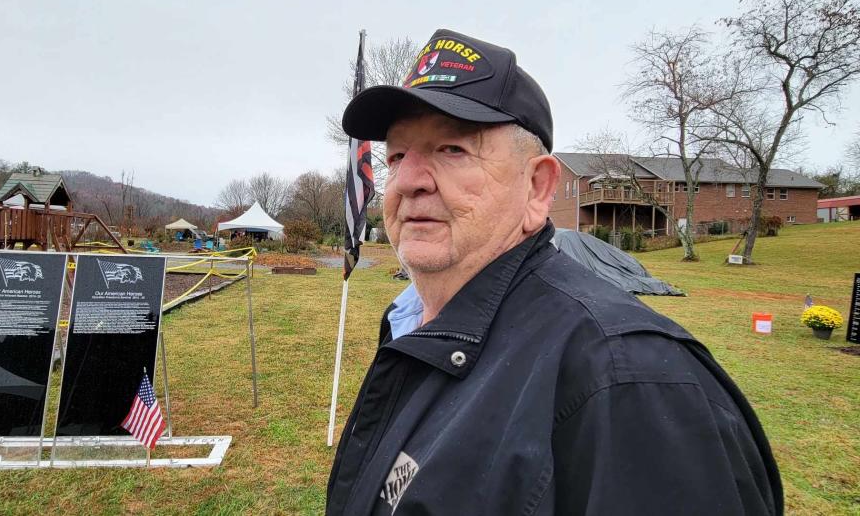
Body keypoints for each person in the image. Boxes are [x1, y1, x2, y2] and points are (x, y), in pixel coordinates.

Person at [326, 29, 782, 516]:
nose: (409, 182)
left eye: (452, 149)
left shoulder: (629, 383)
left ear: (538, 187)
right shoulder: (411, 319)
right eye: (396, 155)